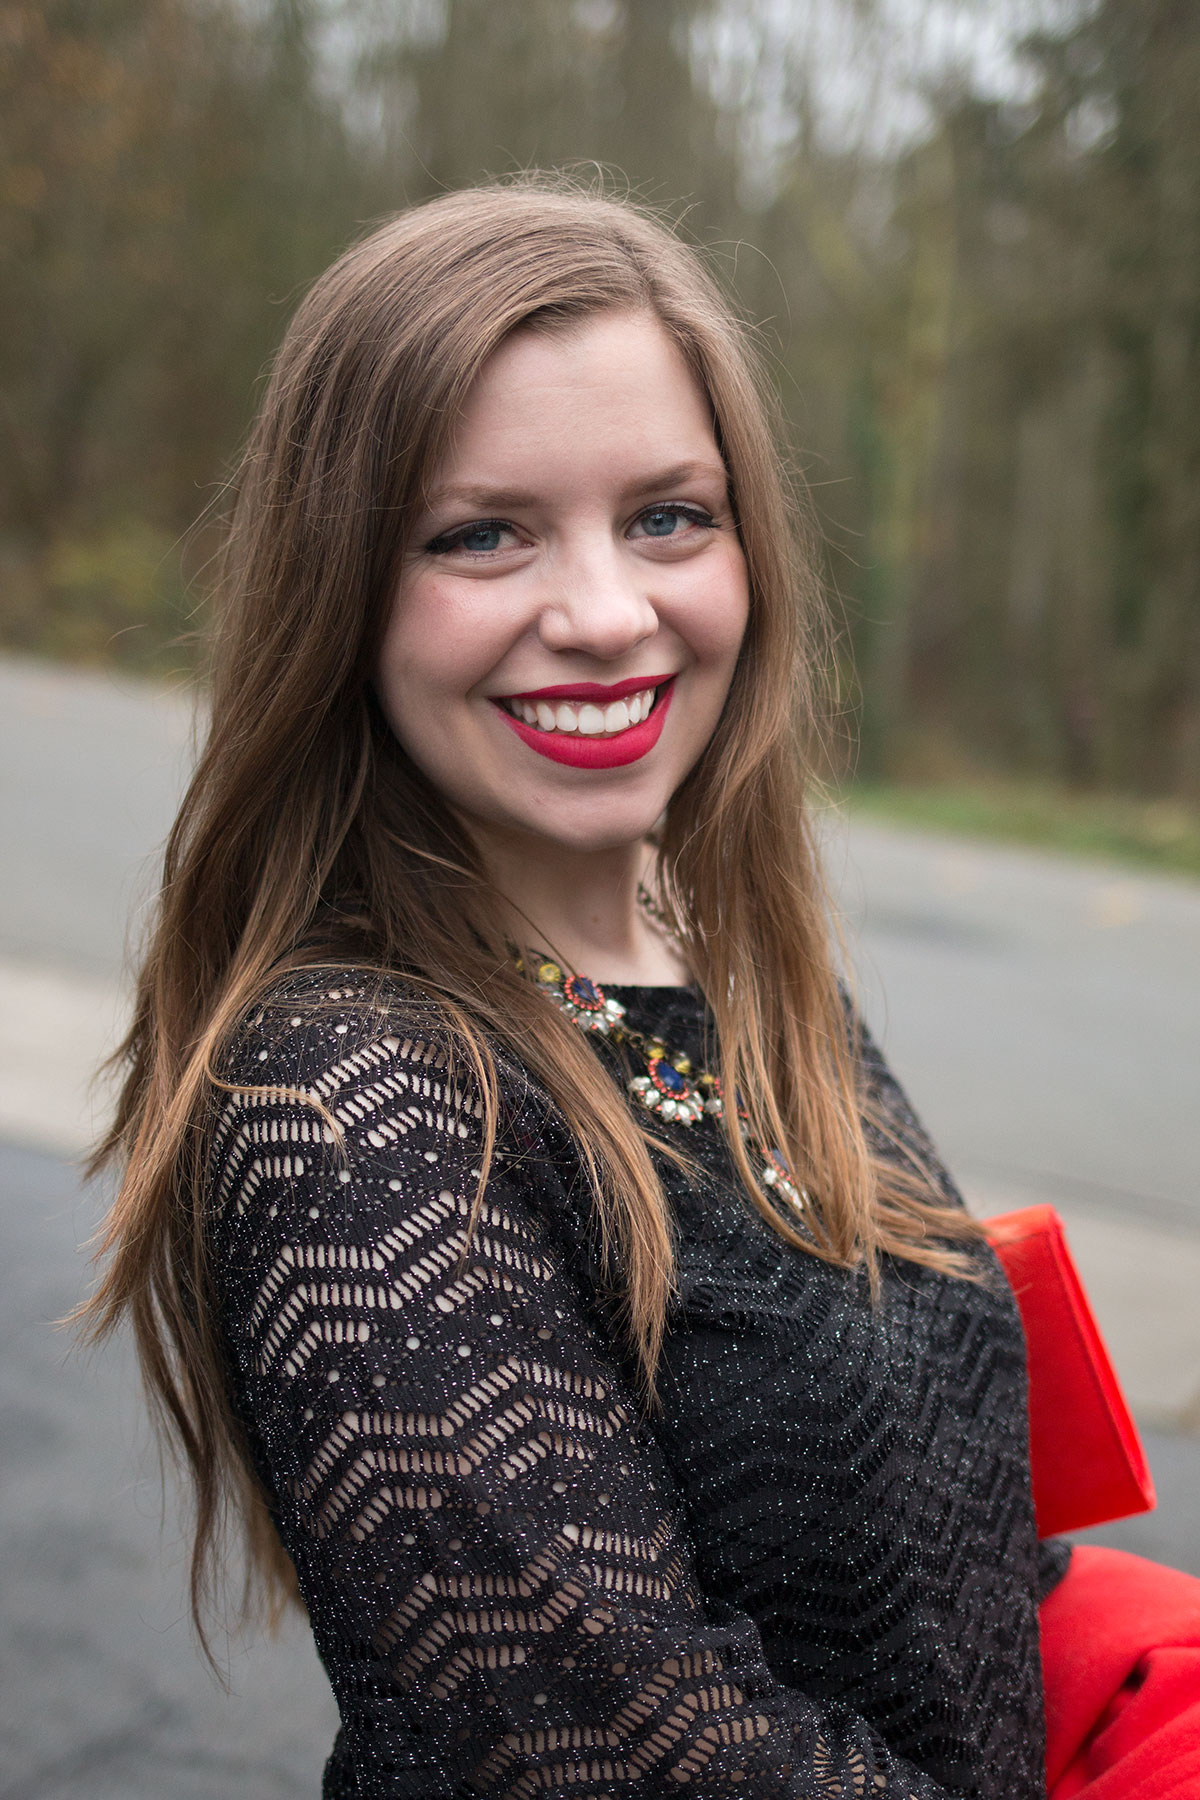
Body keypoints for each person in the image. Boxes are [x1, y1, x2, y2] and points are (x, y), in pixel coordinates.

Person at [81, 179, 1200, 1799]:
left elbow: (952, 1563)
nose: (607, 616)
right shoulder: (349, 1092)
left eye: (668, 515)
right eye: (483, 534)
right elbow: (622, 1756)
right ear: (344, 591)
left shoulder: (731, 962)